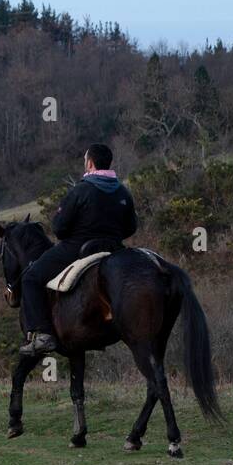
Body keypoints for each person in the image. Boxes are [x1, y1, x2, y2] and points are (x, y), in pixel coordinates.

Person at [20, 143, 137, 356]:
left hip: (77, 249)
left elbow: (59, 228)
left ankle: (44, 335)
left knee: (30, 278)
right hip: (114, 250)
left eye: (85, 160)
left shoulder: (80, 190)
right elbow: (131, 227)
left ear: (90, 163)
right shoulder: (123, 192)